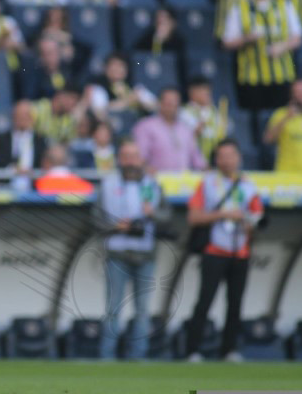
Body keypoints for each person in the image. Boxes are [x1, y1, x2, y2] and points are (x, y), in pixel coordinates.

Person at [186, 139, 263, 362]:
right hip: (214, 250)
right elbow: (193, 216)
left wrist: (249, 222)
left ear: (238, 157)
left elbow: (258, 217)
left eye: (231, 155)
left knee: (236, 303)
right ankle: (192, 350)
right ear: (217, 159)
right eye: (222, 156)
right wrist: (223, 215)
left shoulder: (249, 185)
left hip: (240, 251)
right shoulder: (208, 183)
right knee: (204, 301)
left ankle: (229, 350)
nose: (227, 160)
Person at [97, 140, 168, 359]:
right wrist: (115, 226)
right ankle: (106, 356)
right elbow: (95, 219)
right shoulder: (108, 184)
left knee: (143, 310)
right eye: (125, 156)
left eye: (134, 156)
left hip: (145, 254)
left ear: (141, 159)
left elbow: (167, 218)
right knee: (113, 309)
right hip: (117, 253)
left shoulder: (153, 185)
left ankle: (139, 356)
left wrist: (152, 214)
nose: (130, 161)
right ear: (119, 159)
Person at [222, 0, 302, 111]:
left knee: (280, 114)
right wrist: (247, 38)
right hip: (250, 76)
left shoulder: (285, 5)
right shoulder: (240, 8)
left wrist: (282, 47)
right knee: (255, 118)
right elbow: (227, 42)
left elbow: (297, 37)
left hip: (282, 74)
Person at [132, 88, 206, 172]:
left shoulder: (185, 129)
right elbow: (139, 158)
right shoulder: (145, 126)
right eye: (168, 103)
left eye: (175, 103)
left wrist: (204, 169)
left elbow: (196, 158)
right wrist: (146, 169)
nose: (172, 107)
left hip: (184, 182)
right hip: (155, 180)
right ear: (160, 103)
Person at [87, 52, 157, 119]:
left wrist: (140, 101)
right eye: (113, 65)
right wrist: (126, 101)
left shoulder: (135, 88)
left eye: (121, 66)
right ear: (106, 68)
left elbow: (156, 105)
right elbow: (99, 112)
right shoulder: (98, 88)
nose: (117, 69)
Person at [180, 77, 230, 163]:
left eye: (208, 90)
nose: (207, 93)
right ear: (192, 92)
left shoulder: (215, 112)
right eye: (203, 90)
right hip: (193, 161)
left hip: (214, 161)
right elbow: (192, 134)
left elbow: (223, 133)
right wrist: (203, 113)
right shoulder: (184, 112)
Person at [264, 79, 302, 172]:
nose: (301, 95)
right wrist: (286, 118)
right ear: (292, 95)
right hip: (286, 173)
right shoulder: (281, 114)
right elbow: (268, 139)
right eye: (298, 92)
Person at [0, 100, 46, 171]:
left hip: (33, 179)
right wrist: (14, 169)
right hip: (8, 179)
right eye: (19, 115)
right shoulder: (2, 139)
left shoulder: (40, 140)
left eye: (26, 115)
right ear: (13, 116)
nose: (23, 118)